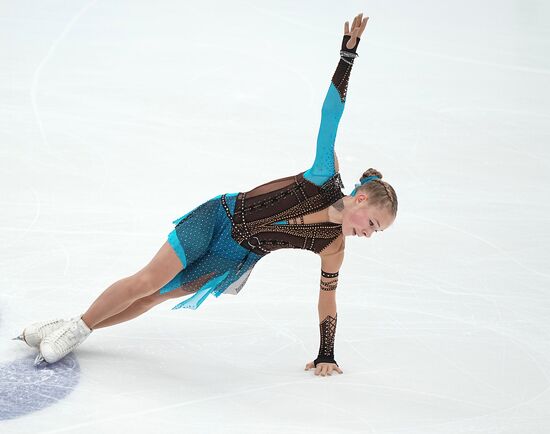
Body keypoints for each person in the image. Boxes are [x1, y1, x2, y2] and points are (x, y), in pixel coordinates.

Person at [15, 12, 397, 377]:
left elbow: (327, 300)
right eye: (374, 224)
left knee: (155, 297)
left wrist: (325, 354)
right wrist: (347, 57)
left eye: (377, 233)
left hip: (235, 256)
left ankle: (73, 327)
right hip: (219, 218)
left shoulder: (333, 247)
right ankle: (77, 326)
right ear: (360, 199)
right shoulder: (323, 177)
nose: (369, 234)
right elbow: (330, 115)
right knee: (148, 280)